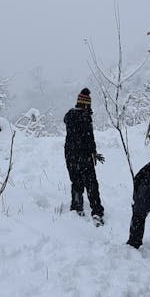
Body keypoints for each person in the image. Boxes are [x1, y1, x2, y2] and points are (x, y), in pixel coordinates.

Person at [63, 88, 104, 224]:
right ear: (86, 105)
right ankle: (96, 212)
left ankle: (77, 207)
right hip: (84, 156)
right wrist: (94, 153)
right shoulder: (85, 118)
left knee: (76, 182)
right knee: (91, 184)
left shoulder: (69, 116)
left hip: (70, 155)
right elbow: (89, 139)